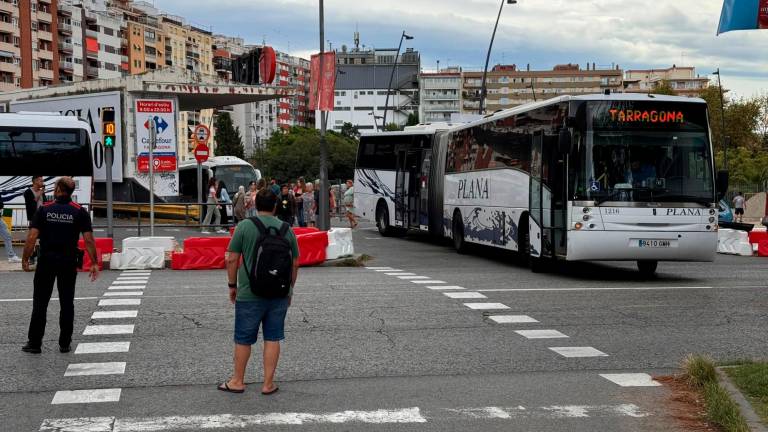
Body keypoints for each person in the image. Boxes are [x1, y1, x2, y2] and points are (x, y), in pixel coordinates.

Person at [220, 189, 300, 394]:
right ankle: (268, 384)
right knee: (273, 337)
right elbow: (294, 263)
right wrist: (289, 290)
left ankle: (237, 381)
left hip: (249, 292)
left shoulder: (245, 226)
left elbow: (231, 258)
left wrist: (232, 285)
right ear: (275, 206)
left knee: (244, 338)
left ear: (256, 205)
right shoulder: (286, 229)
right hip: (279, 293)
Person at [21, 177, 99, 354]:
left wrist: (25, 258)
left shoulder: (44, 209)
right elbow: (88, 240)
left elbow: (32, 237)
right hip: (68, 261)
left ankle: (34, 343)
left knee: (40, 302)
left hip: (46, 261)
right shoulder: (79, 211)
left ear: (57, 189)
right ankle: (64, 342)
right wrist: (94, 262)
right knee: (66, 302)